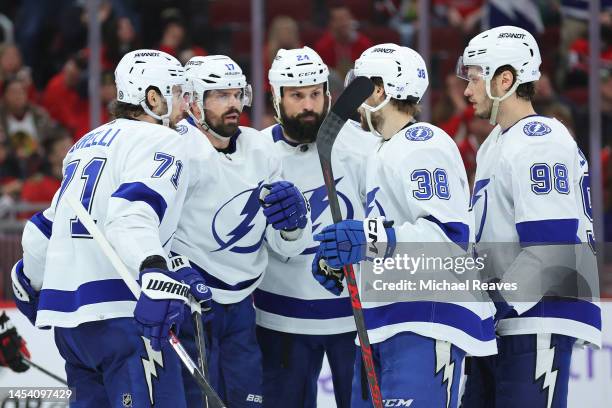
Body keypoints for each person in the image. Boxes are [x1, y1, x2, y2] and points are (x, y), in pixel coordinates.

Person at [11, 49, 212, 407]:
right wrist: (153, 272)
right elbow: (132, 212)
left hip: (73, 329)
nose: (185, 103)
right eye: (177, 92)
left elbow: (42, 231)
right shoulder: (165, 140)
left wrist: (30, 280)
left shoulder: (84, 144)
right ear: (152, 98)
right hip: (127, 316)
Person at [313, 43, 497, 407]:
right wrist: (343, 263)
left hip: (427, 319)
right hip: (385, 321)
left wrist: (365, 238)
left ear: (379, 90)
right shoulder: (383, 149)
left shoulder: (421, 143)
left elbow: (449, 237)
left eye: (359, 86)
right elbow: (390, 241)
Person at [456, 25, 602, 407]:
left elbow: (550, 250)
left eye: (473, 78)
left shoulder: (539, 138)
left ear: (505, 79)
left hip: (536, 316)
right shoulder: (498, 141)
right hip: (507, 321)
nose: (467, 91)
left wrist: (492, 304)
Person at [174, 55, 312, 407]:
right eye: (221, 95)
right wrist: (173, 267)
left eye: (237, 94)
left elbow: (285, 247)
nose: (234, 104)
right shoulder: (174, 149)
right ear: (192, 101)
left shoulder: (260, 149)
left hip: (241, 308)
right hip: (190, 302)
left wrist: (293, 227)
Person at [253, 46, 376, 408]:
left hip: (353, 320)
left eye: (314, 94)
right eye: (296, 96)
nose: (308, 105)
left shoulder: (365, 148)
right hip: (280, 318)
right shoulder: (256, 153)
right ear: (276, 97)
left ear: (328, 93)